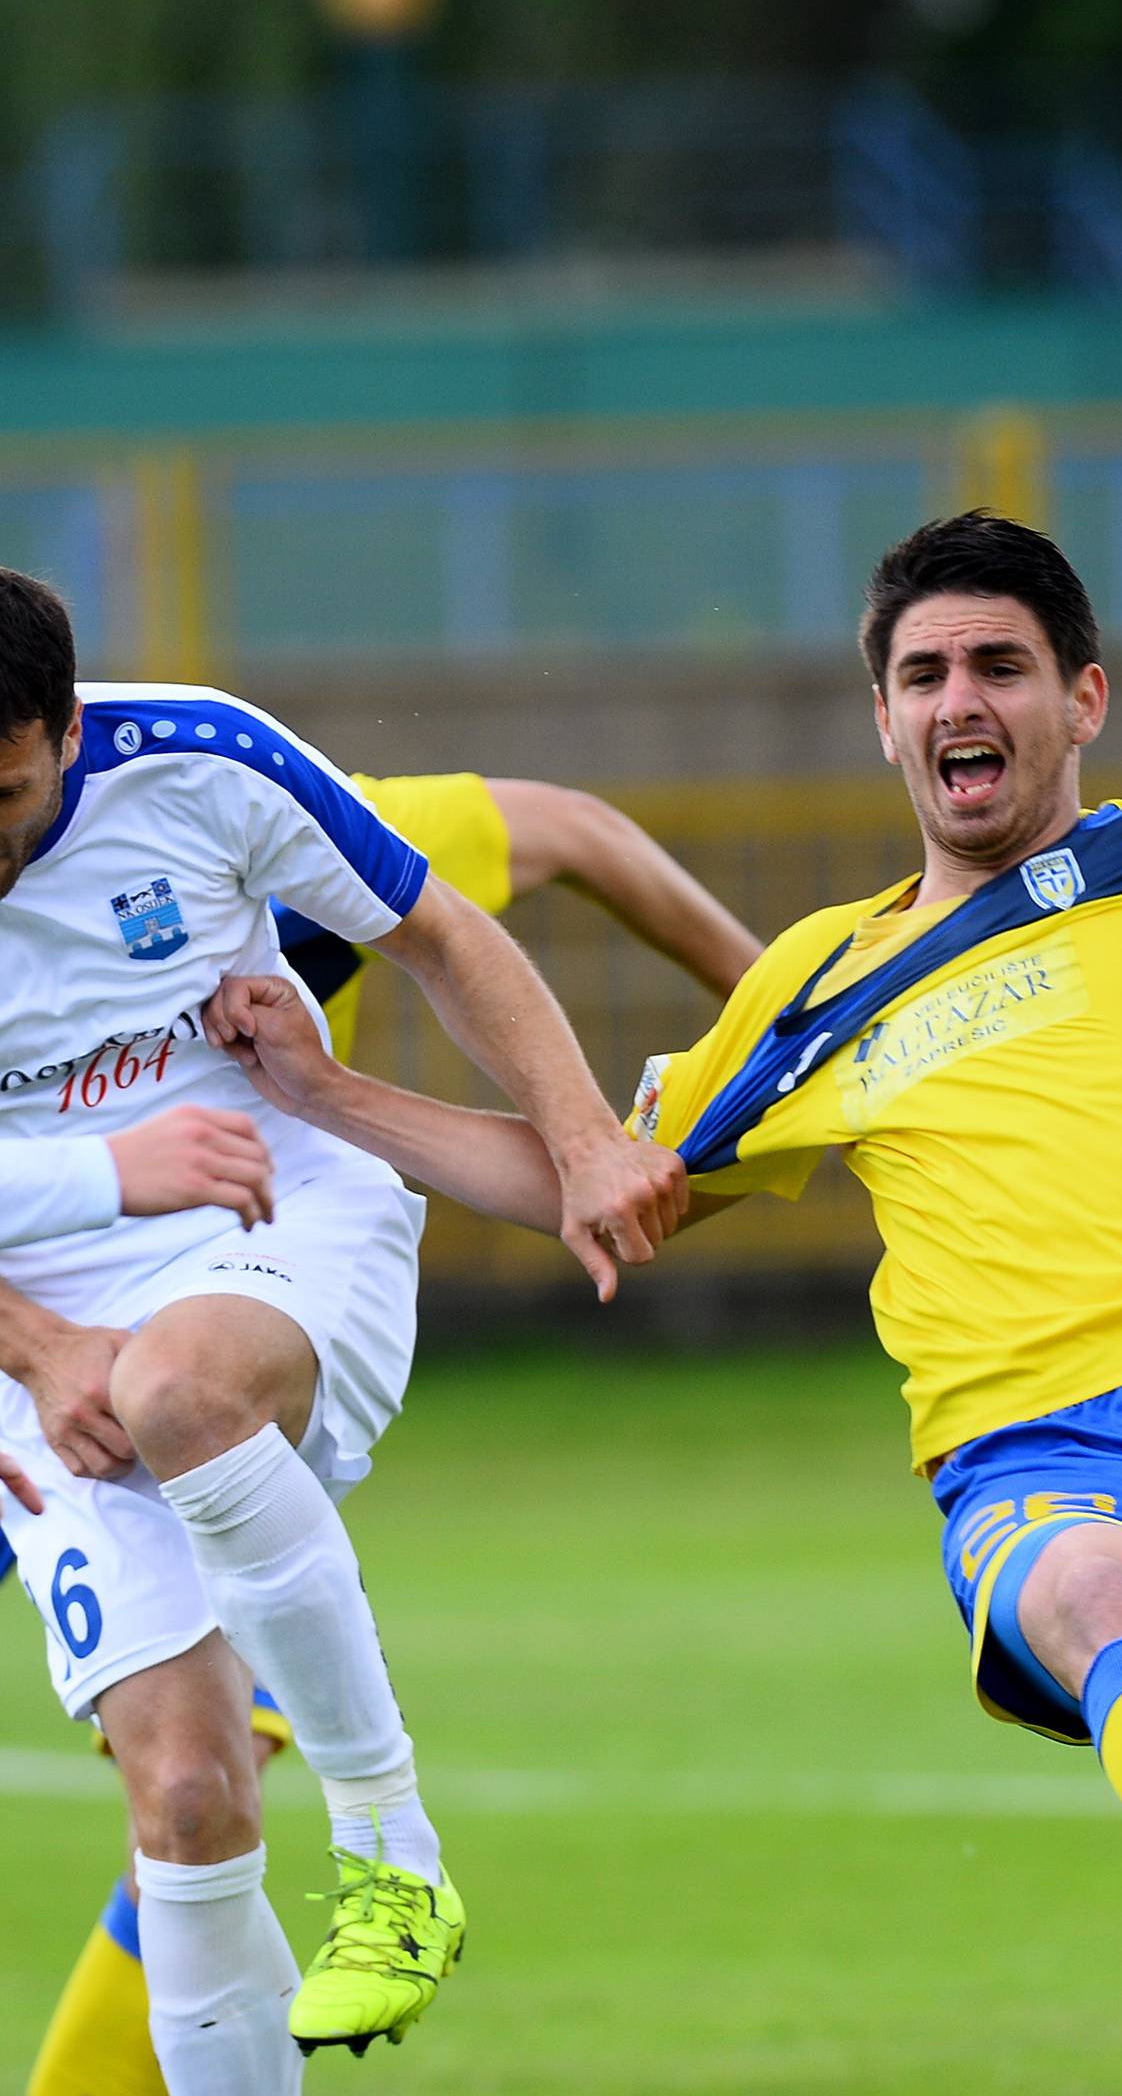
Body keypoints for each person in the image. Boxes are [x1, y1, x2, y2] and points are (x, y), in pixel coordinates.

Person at [210, 169, 1122, 2013]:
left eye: (1002, 665)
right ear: (881, 717)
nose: (964, 698)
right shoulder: (817, 984)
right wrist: (324, 1087)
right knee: (1108, 1602)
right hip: (1045, 1459)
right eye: (925, 670)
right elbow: (596, 1183)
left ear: (1083, 696)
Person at [0, 579, 685, 2092]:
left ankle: (392, 1849)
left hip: (278, 1230)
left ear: (64, 733)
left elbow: (446, 922)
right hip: (32, 1336)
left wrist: (582, 1139)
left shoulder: (206, 759)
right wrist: (40, 1348)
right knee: (185, 1795)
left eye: (1, 793)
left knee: (175, 1383)